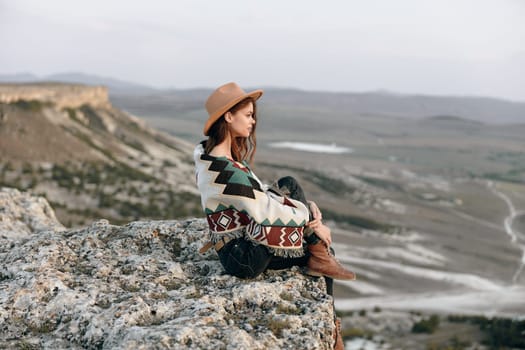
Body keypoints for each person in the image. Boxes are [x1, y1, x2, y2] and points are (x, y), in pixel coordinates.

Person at [194, 82, 355, 349]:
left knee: (288, 183)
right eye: (248, 115)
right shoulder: (221, 172)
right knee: (326, 251)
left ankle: (317, 249)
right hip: (241, 257)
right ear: (228, 116)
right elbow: (264, 211)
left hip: (244, 239)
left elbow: (260, 193)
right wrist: (309, 221)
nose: (253, 121)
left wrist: (305, 209)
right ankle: (333, 330)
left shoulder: (216, 158)